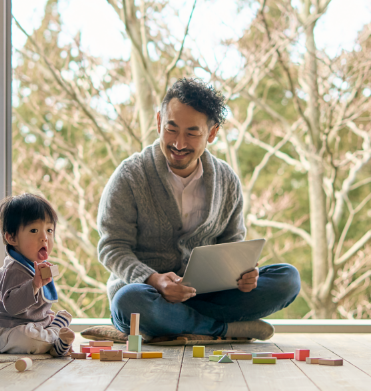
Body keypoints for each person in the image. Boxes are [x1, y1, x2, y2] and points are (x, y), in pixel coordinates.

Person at [97, 78, 301, 341]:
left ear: (212, 133)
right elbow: (112, 247)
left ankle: (181, 325)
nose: (179, 143)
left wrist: (244, 274)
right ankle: (223, 329)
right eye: (171, 129)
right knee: (129, 302)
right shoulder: (130, 176)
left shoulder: (226, 180)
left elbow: (231, 243)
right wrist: (155, 280)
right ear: (159, 122)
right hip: (148, 295)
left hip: (208, 296)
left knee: (287, 279)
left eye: (192, 133)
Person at [0, 194, 75, 356]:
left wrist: (46, 315)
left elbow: (39, 307)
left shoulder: (37, 267)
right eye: (34, 230)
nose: (44, 238)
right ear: (11, 238)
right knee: (28, 338)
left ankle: (54, 336)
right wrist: (34, 285)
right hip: (8, 330)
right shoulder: (13, 269)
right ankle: (56, 336)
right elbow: (13, 307)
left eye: (49, 230)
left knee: (39, 330)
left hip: (36, 325)